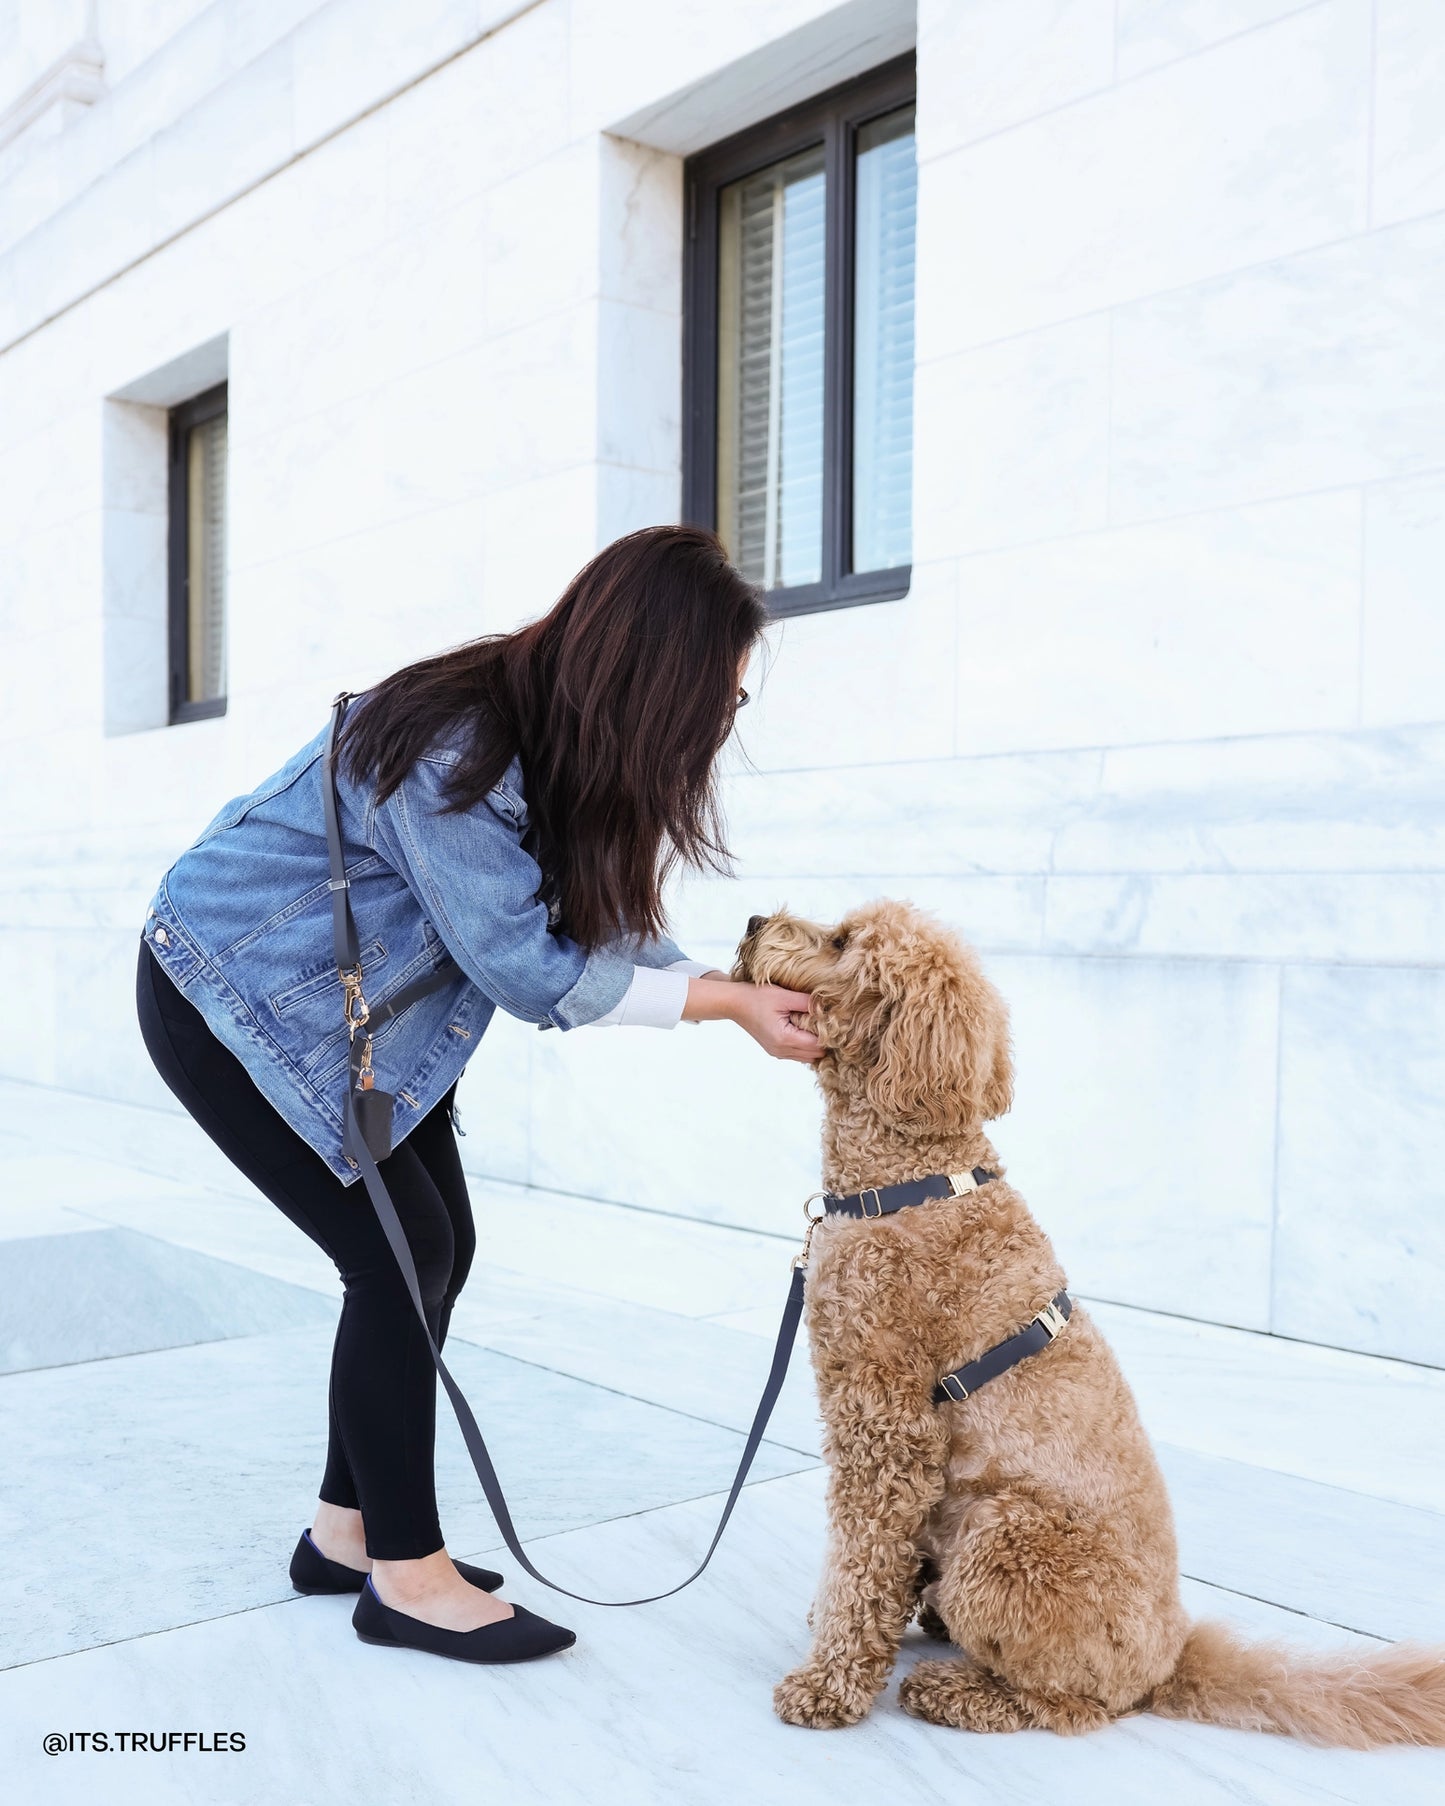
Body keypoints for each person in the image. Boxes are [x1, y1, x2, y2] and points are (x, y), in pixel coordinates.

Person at [134, 524, 821, 1667]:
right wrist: (723, 1008)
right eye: (721, 696)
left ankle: (345, 1536)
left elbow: (598, 924)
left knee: (435, 1246)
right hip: (226, 995)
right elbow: (527, 970)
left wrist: (732, 988)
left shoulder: (558, 742)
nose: (720, 722)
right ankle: (407, 1578)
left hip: (358, 1026)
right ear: (654, 674)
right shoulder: (459, 747)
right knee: (396, 1257)